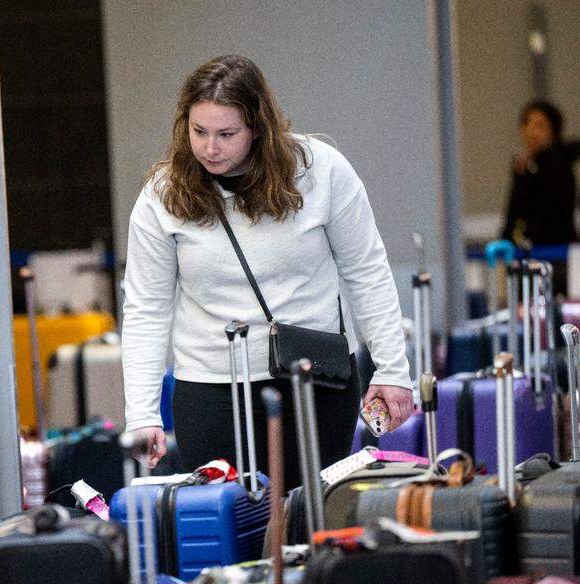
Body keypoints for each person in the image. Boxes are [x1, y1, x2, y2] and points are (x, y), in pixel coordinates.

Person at [120, 54, 412, 488]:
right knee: (230, 525)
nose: (210, 148)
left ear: (257, 127)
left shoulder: (321, 170)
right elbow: (146, 308)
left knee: (308, 519)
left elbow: (366, 269)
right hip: (211, 390)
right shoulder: (162, 196)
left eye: (226, 133)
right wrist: (142, 413)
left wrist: (392, 369)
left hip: (316, 381)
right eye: (199, 132)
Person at [502, 101, 580, 292]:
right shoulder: (524, 167)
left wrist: (531, 174)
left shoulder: (559, 165)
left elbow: (556, 209)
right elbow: (515, 210)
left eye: (540, 125)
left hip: (556, 255)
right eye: (528, 124)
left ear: (553, 130)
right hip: (529, 254)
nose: (533, 131)